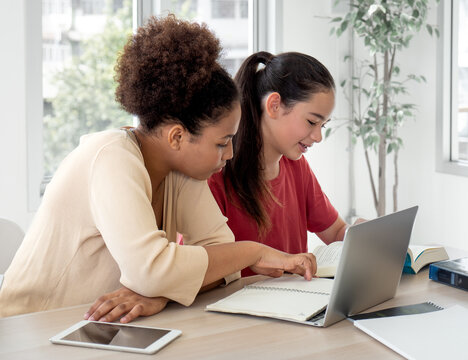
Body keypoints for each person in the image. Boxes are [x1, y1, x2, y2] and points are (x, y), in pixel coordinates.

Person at [0, 16, 316, 320]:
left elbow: (222, 266)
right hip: (28, 329)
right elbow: (152, 271)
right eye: (222, 143)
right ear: (177, 136)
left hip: (98, 329)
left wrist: (162, 292)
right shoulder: (110, 156)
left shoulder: (179, 169)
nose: (230, 154)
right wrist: (253, 253)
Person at [208, 51, 348, 277]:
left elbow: (336, 231)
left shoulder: (297, 167)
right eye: (312, 121)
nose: (318, 136)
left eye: (322, 125)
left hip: (295, 307)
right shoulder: (216, 173)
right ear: (274, 105)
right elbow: (201, 267)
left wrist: (366, 236)